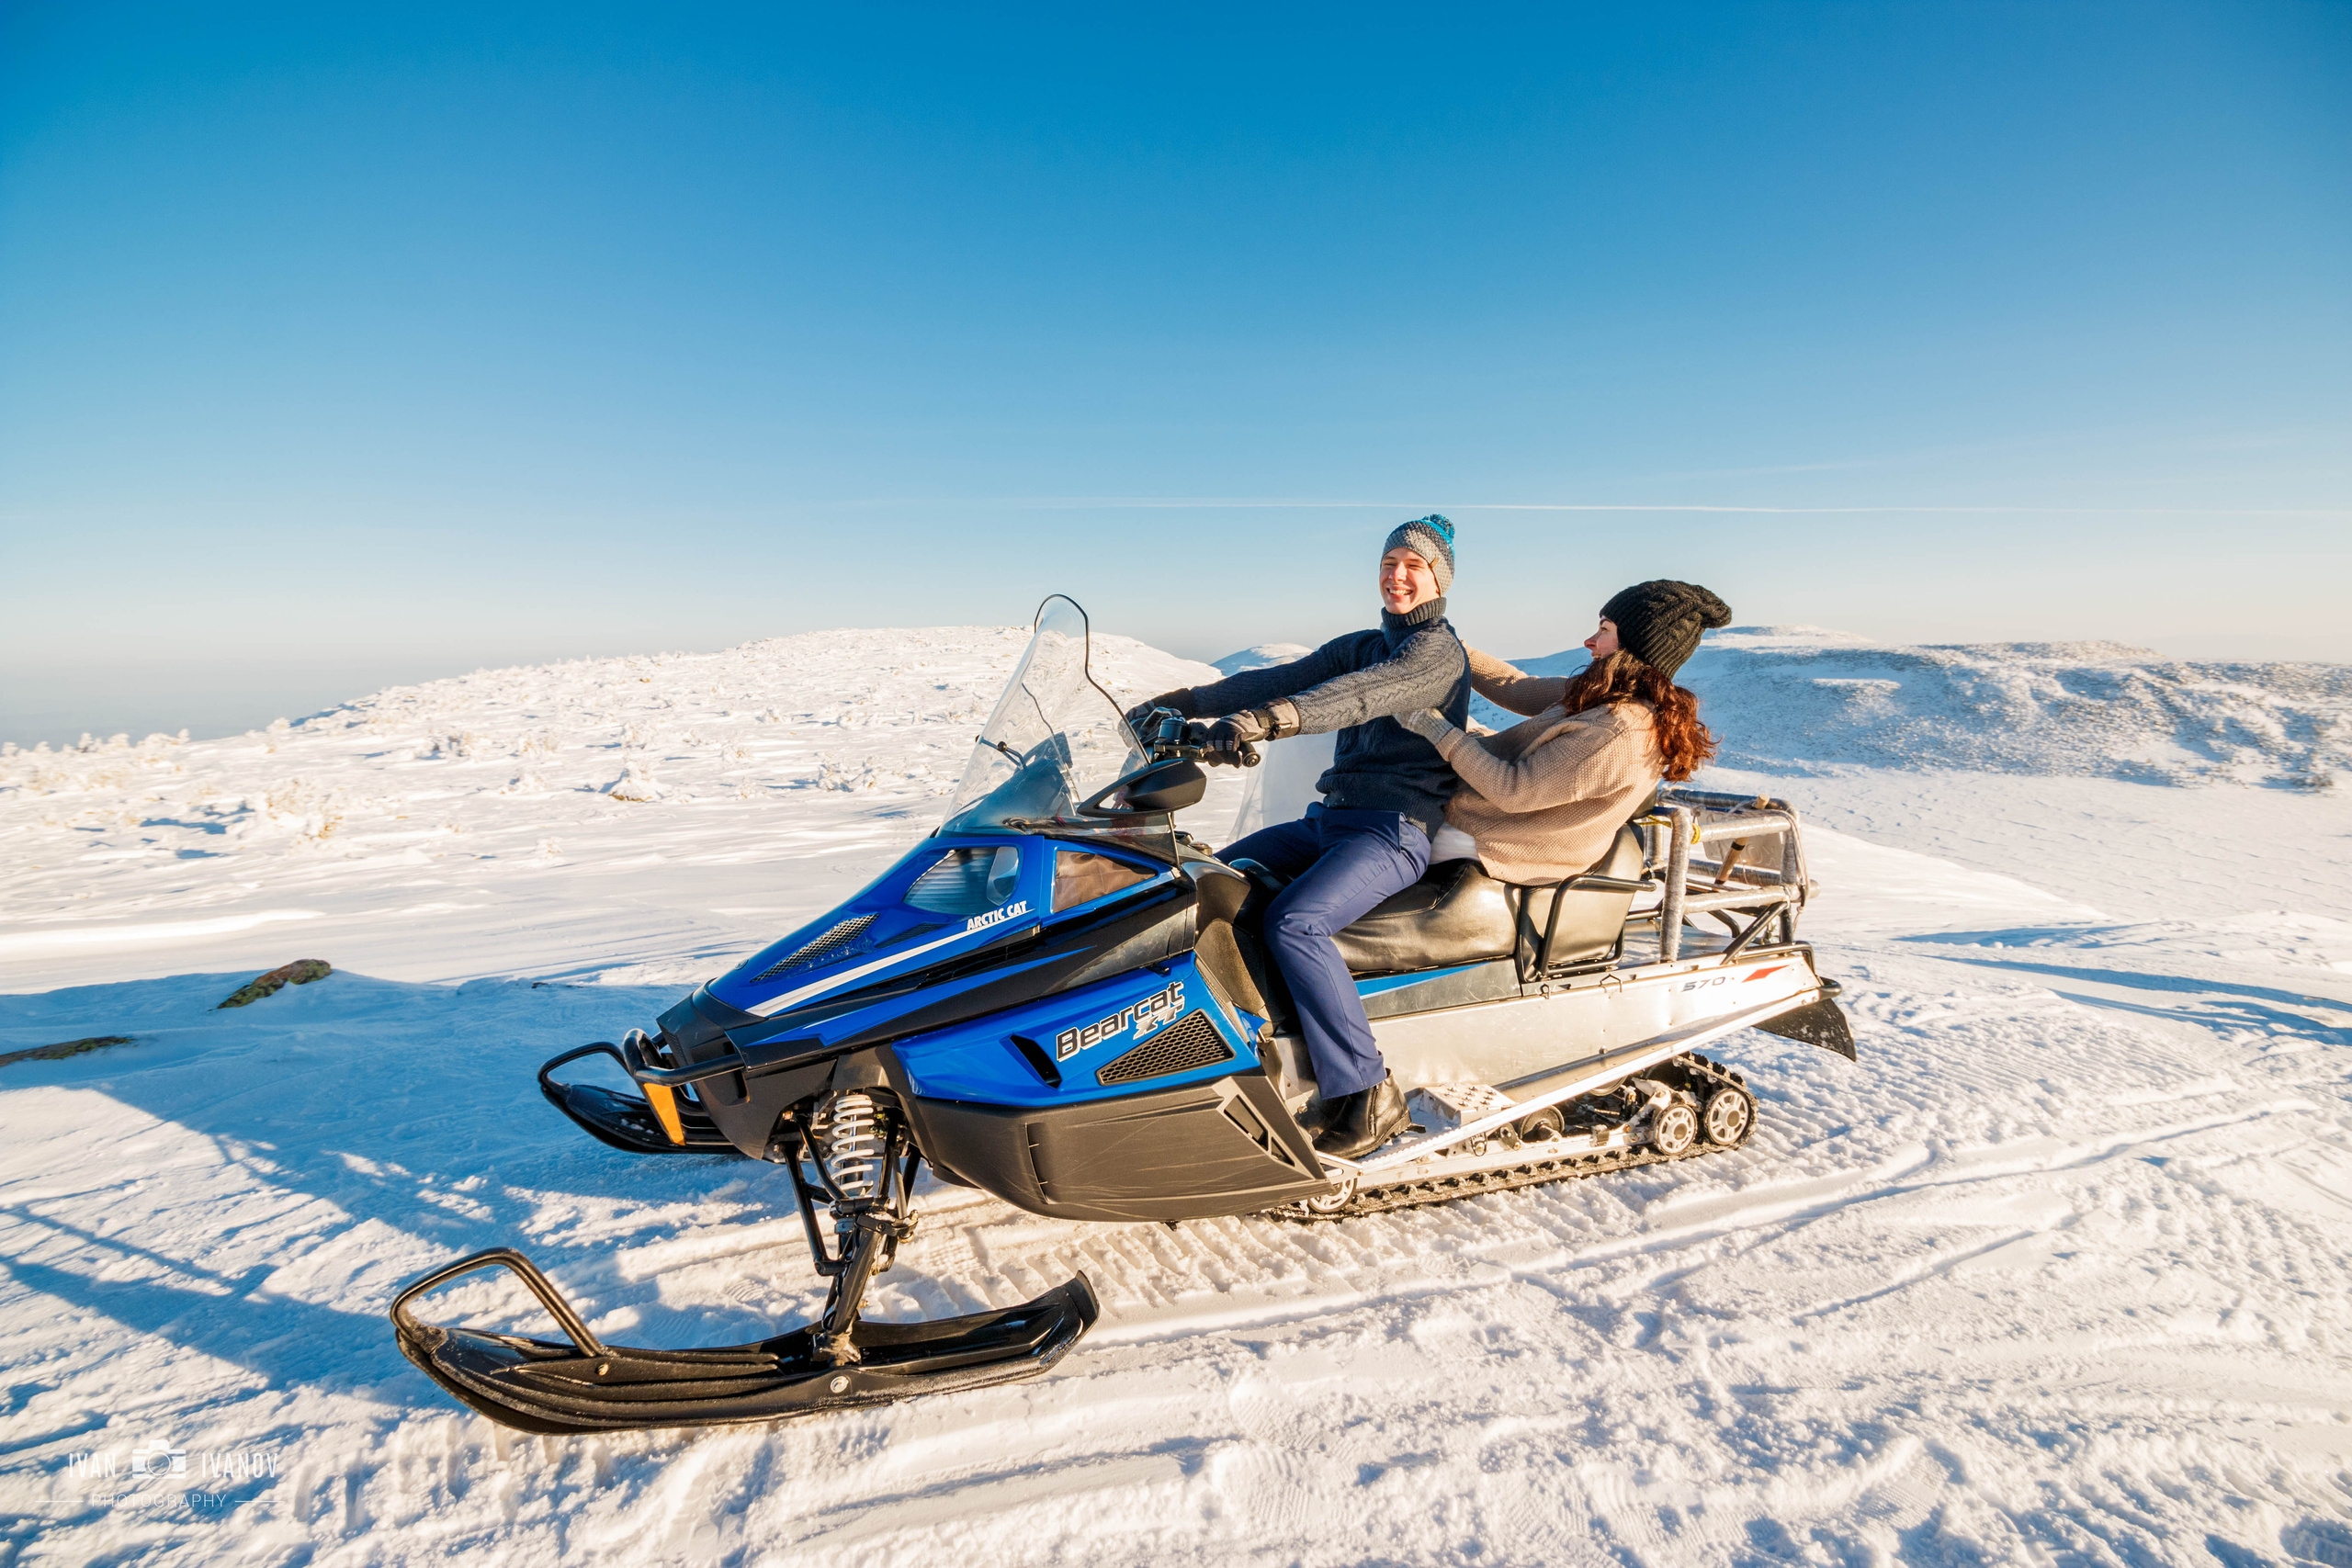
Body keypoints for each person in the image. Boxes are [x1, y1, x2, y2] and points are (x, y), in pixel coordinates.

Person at [1125, 516, 1470, 1158]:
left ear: (1437, 579)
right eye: (1389, 561)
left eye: (1412, 566)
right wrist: (1184, 700)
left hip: (1396, 832)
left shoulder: (1435, 655)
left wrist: (1265, 723)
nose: (1396, 574)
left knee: (1295, 921)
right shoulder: (1366, 643)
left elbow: (1359, 697)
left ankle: (1366, 1091)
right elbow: (1283, 678)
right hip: (1333, 819)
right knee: (1206, 880)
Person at [1398, 581, 1731, 885]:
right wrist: (1454, 648)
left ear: (1635, 646)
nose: (1590, 641)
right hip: (1493, 825)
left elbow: (1513, 790)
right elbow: (1517, 688)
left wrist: (1437, 729)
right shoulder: (1607, 694)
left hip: (1491, 839)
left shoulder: (1618, 730)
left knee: (1368, 820)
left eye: (1604, 630)